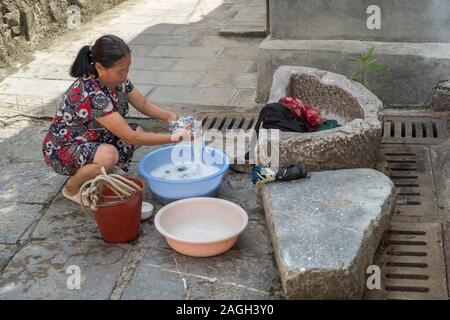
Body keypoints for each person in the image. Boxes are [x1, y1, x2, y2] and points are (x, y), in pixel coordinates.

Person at [42, 34, 191, 205]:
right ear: (100, 67)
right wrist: (174, 138)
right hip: (64, 149)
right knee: (109, 155)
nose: (125, 74)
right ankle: (72, 187)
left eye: (127, 68)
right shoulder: (91, 94)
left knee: (137, 130)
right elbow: (130, 138)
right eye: (121, 70)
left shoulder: (118, 81)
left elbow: (142, 103)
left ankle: (103, 171)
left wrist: (170, 117)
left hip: (95, 138)